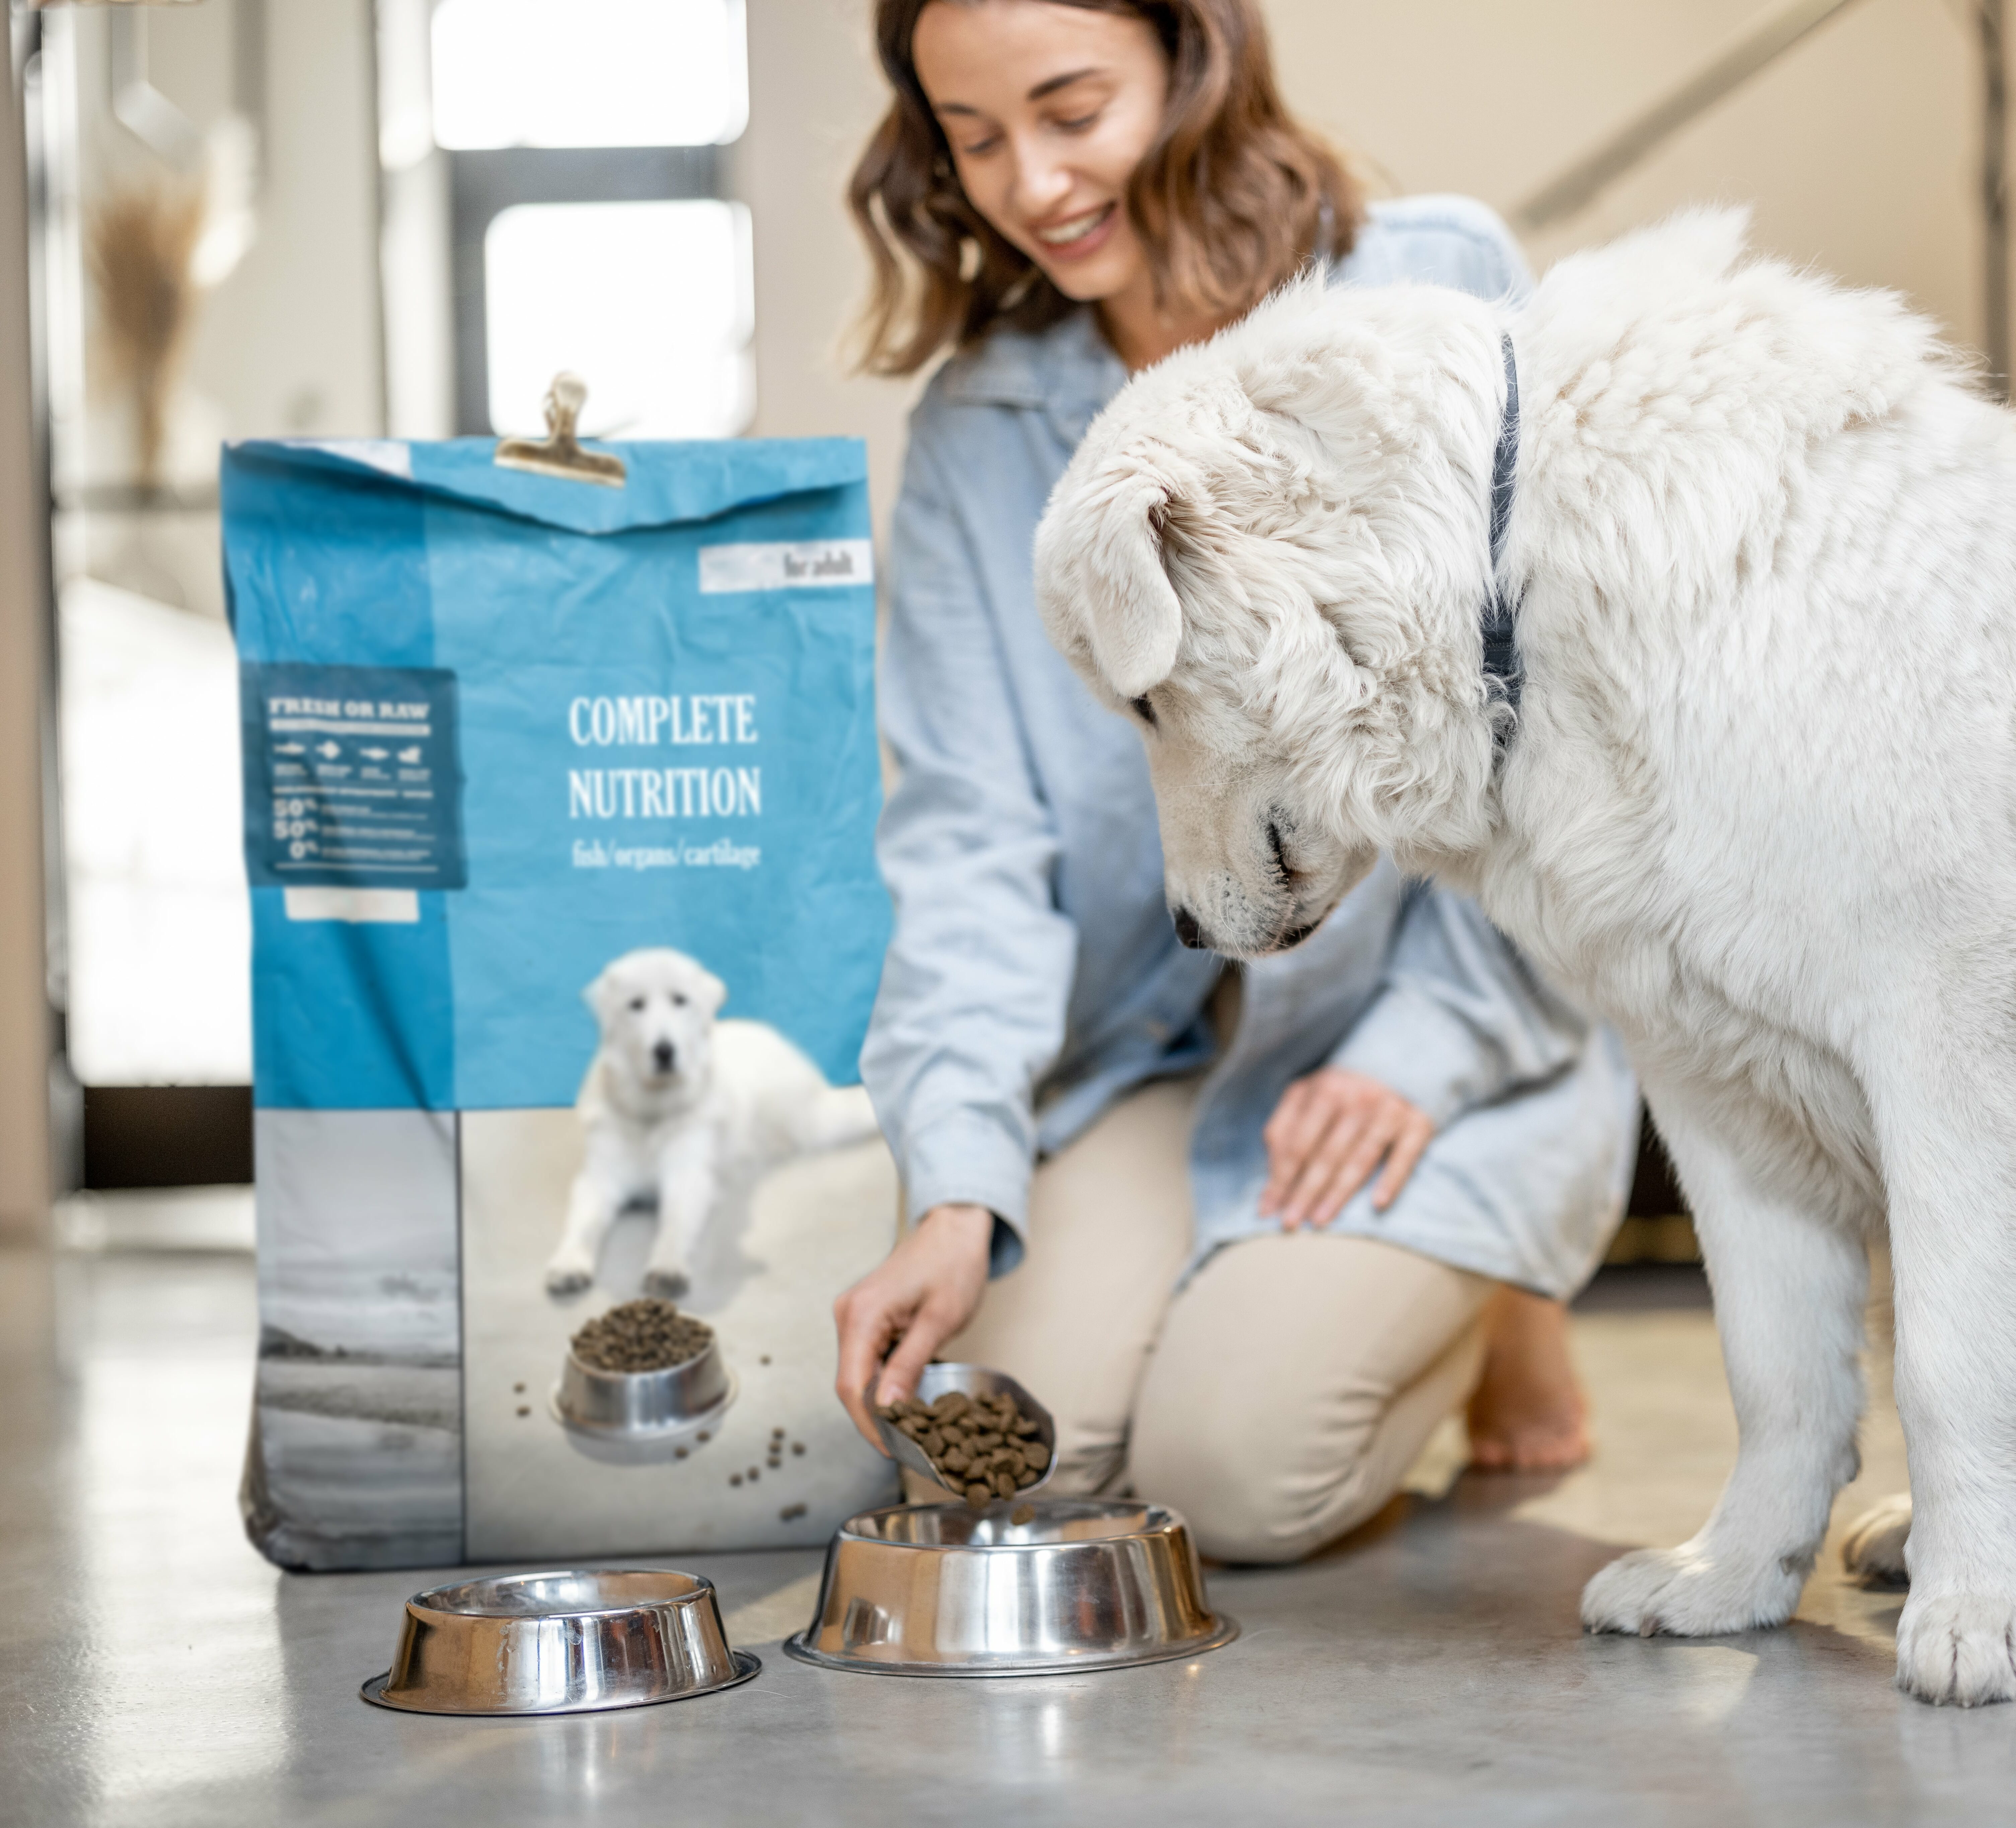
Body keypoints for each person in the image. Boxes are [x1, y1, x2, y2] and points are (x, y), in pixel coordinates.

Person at [832, 0, 1640, 1563]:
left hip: (1429, 1009)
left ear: (1191, 66)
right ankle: (1314, 1281)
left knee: (1243, 1476)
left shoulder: (1443, 282)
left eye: (1073, 110)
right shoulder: (980, 426)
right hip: (1156, 1042)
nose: (1032, 183)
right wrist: (954, 1180)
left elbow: (1567, 739)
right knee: (997, 1469)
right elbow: (967, 841)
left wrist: (1426, 1052)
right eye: (975, 134)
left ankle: (1504, 1296)